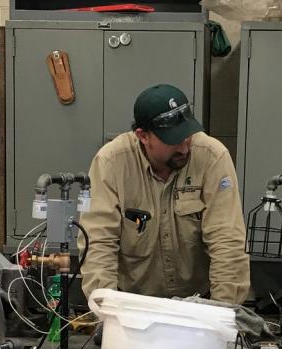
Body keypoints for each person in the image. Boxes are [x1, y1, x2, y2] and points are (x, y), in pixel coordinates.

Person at [80, 84, 251, 304]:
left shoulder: (212, 156)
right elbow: (98, 244)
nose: (184, 147)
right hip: (133, 303)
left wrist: (222, 315)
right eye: (173, 140)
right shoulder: (111, 163)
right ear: (143, 136)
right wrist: (107, 312)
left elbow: (227, 241)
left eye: (187, 135)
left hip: (199, 302)